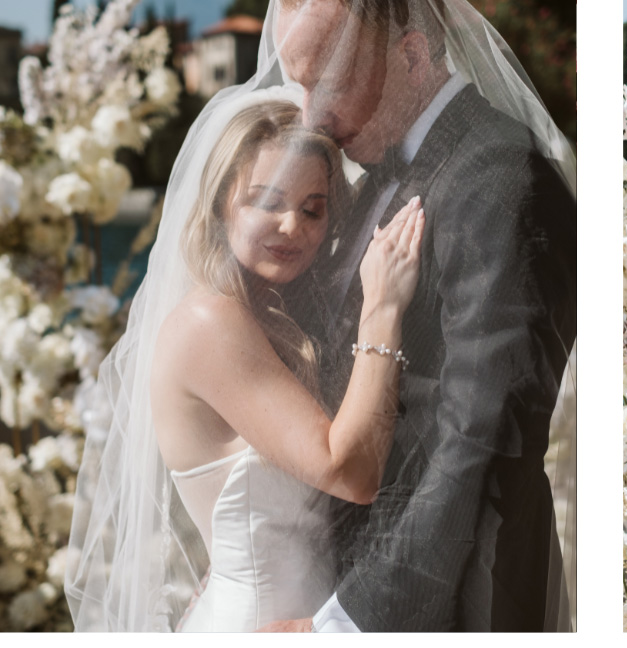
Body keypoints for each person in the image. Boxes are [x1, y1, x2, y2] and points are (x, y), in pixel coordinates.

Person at [265, 0, 577, 632]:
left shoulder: (501, 179)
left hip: (454, 606)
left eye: (332, 79)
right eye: (301, 82)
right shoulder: (383, 171)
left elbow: (482, 442)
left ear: (411, 54)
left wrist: (349, 623)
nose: (311, 112)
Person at [66, 91, 425, 631]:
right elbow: (349, 472)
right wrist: (383, 306)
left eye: (312, 208)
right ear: (219, 203)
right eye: (266, 201)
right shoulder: (208, 324)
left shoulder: (268, 316)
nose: (291, 227)